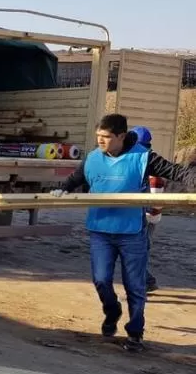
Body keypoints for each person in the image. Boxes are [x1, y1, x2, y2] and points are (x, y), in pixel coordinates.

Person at [52, 114, 196, 351]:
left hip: (131, 233)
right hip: (100, 230)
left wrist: (192, 177)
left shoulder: (142, 157)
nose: (100, 141)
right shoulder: (93, 158)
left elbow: (177, 172)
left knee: (135, 286)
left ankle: (135, 333)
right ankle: (112, 311)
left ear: (120, 136)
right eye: (98, 136)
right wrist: (61, 190)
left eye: (106, 137)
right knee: (101, 280)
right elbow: (74, 179)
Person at [127, 126, 163, 294]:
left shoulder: (149, 167)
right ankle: (146, 281)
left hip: (146, 218)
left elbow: (155, 201)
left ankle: (144, 283)